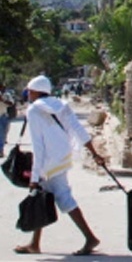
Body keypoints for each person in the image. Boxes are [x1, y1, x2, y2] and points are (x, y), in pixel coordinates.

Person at [15, 75, 105, 256]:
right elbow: (78, 130)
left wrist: (34, 176)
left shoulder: (33, 111)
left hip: (48, 162)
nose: (28, 95)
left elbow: (38, 146)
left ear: (34, 92)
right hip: (63, 158)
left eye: (29, 91)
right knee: (40, 197)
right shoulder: (61, 105)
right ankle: (34, 243)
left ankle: (89, 237)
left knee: (61, 198)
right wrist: (95, 154)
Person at [1, 83, 12, 157]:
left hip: (4, 116)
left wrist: (2, 99)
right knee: (0, 134)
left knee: (4, 134)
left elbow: (11, 103)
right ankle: (0, 151)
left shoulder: (6, 95)